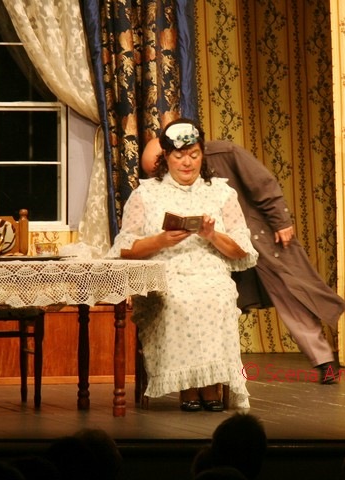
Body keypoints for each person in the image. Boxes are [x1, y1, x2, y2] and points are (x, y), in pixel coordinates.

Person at [141, 136, 345, 383]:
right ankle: (209, 374)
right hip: (209, 251)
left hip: (255, 238)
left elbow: (263, 184)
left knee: (290, 293)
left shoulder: (224, 153)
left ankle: (323, 360)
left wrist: (281, 221)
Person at [108, 118, 258, 412]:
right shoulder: (146, 194)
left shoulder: (222, 193)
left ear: (203, 155)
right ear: (165, 156)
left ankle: (212, 385)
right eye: (179, 156)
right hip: (165, 273)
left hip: (210, 271)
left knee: (217, 297)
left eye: (194, 155)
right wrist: (161, 240)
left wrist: (212, 235)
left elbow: (241, 249)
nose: (187, 162)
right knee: (180, 300)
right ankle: (189, 388)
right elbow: (124, 248)